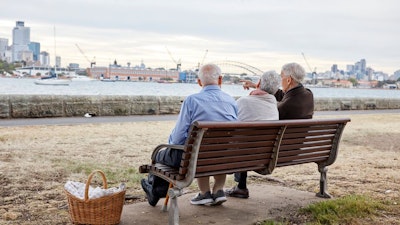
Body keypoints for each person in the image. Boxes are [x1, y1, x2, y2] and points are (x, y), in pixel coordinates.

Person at [141, 63, 238, 207]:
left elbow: (178, 137)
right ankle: (218, 190)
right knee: (214, 149)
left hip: (196, 157)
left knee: (159, 155)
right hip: (224, 157)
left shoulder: (192, 100)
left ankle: (158, 191)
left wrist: (171, 144)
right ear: (220, 80)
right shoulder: (232, 101)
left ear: (199, 82)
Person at [225, 62, 314, 199]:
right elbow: (281, 96)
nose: (280, 80)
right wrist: (257, 86)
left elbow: (271, 106)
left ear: (289, 80)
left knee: (246, 137)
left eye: (281, 77)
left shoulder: (285, 106)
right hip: (296, 147)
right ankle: (240, 186)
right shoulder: (307, 95)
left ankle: (241, 186)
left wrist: (257, 93)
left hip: (276, 152)